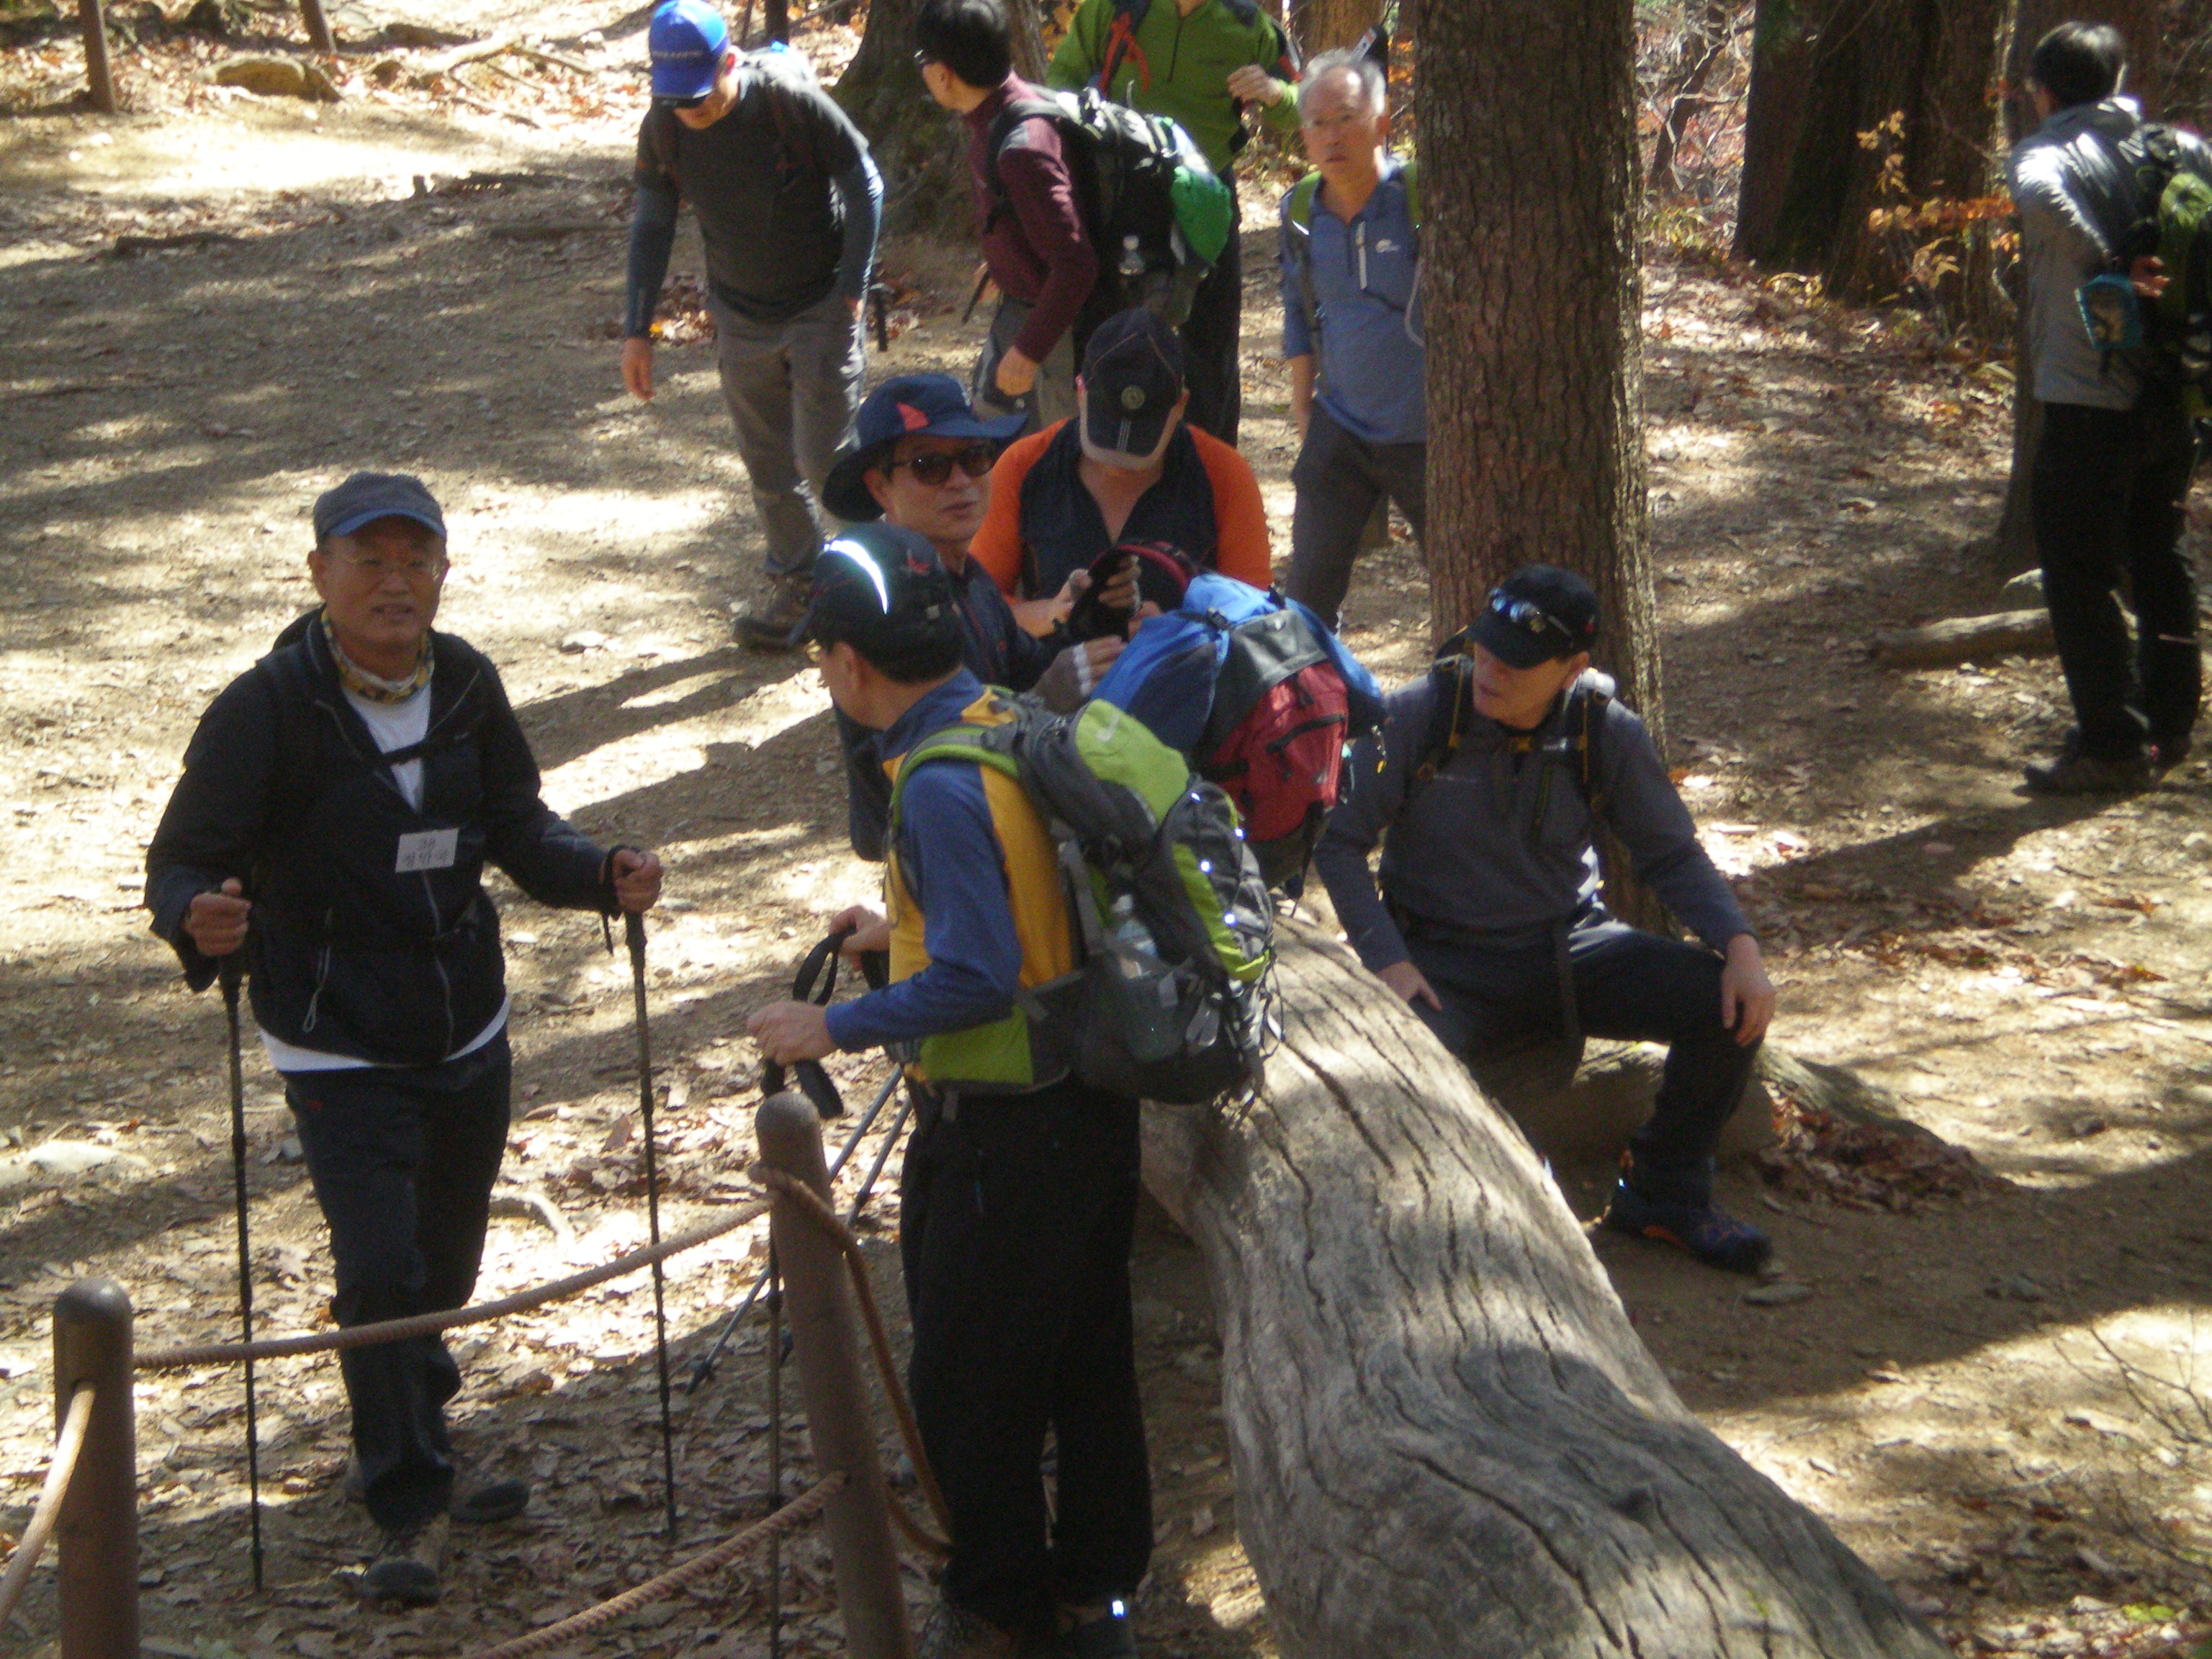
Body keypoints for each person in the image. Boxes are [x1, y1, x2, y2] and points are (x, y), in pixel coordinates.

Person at [145, 472, 665, 1605]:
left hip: (463, 1016)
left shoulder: (467, 681)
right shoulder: (266, 707)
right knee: (381, 1267)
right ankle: (406, 1496)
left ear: (443, 570)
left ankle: (413, 1421)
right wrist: (197, 913)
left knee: (446, 1260)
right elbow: (181, 857)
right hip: (337, 1036)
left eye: (414, 560)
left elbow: (516, 823)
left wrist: (598, 872)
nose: (395, 582)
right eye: (368, 561)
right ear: (319, 574)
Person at [748, 536, 1151, 1659]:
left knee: (973, 1385)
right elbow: (1025, 905)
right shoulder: (1005, 718)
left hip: (1002, 1134)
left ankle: (997, 1609)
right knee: (1088, 1359)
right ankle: (1099, 1598)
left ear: (849, 664)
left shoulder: (934, 784)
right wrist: (899, 936)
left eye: (822, 657)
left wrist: (827, 1026)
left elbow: (977, 977)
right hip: (1090, 1098)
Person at [1311, 565, 1779, 1275]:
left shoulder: (1603, 731)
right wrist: (1387, 961)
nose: (1491, 670)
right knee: (1401, 1080)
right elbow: (1338, 842)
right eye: (1486, 648)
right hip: (1440, 962)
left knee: (1725, 1007)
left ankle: (1663, 1193)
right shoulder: (1417, 716)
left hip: (1570, 948)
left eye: (1518, 661)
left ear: (1572, 668)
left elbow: (1671, 855)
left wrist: (1740, 947)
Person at [621, 0, 882, 650]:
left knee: (826, 461)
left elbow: (865, 184)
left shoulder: (788, 103)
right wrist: (636, 329)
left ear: (730, 63)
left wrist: (852, 288)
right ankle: (799, 584)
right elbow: (652, 224)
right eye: (676, 98)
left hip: (821, 302)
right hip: (741, 314)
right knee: (768, 465)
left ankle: (877, 589)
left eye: (700, 95)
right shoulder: (664, 125)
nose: (690, 110)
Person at [818, 374, 1138, 857]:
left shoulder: (969, 577)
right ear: (880, 488)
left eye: (974, 457)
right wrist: (1047, 696)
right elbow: (937, 762)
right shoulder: (886, 606)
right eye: (929, 466)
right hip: (945, 849)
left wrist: (1090, 618)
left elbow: (1026, 669)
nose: (961, 481)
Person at [2006, 20, 2206, 791]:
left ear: (2042, 90)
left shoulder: (2044, 152)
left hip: (2088, 396)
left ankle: (2114, 745)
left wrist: (2106, 259)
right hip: (2177, 387)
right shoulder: (2183, 148)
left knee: (2078, 570)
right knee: (2160, 551)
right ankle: (2171, 720)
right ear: (2118, 82)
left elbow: (2039, 193)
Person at [1046, 0, 1302, 442]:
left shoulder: (1249, 25)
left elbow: (1301, 108)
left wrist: (1273, 92)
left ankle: (1209, 467)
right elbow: (1059, 84)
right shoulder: (1113, 8)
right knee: (1103, 332)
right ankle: (1099, 451)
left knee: (1210, 345)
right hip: (1119, 194)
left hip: (1207, 197)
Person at [970, 306, 1272, 628]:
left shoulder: (1223, 473)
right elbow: (975, 607)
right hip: (1053, 659)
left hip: (1184, 660)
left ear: (1180, 406)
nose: (1119, 465)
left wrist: (1174, 631)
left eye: (1142, 441)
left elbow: (1257, 619)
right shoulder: (1025, 464)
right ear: (1080, 392)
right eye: (1105, 436)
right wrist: (1053, 614)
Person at [1278, 48, 1426, 630]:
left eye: (1346, 118)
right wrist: (1303, 407)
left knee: (1468, 585)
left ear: (1382, 123)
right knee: (1306, 596)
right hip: (1339, 426)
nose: (1331, 135)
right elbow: (1298, 310)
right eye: (1317, 123)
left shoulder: (1420, 199)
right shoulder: (1299, 212)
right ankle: (1311, 682)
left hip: (1427, 434)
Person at [916, 0, 1099, 435]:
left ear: (943, 73)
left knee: (1052, 457)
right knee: (992, 444)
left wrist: (1029, 351)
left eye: (923, 59)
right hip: (1022, 313)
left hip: (1055, 336)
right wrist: (1006, 259)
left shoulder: (1022, 148)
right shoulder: (999, 113)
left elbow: (1076, 264)